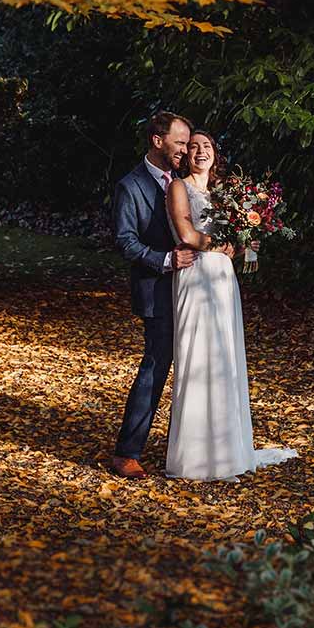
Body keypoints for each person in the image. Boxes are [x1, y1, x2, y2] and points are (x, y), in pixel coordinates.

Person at [163, 129, 297, 480]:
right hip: (195, 275)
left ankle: (225, 452)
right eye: (193, 147)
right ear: (186, 155)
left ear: (215, 154)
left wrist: (241, 244)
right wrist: (219, 243)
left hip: (222, 279)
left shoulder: (226, 194)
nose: (199, 151)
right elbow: (187, 234)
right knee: (197, 357)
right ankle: (194, 457)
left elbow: (238, 241)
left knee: (225, 357)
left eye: (206, 146)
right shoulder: (178, 187)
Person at [107, 111, 197, 480]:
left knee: (199, 365)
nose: (186, 149)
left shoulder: (189, 181)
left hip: (197, 290)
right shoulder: (130, 186)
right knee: (156, 366)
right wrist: (164, 259)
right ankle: (127, 451)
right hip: (158, 288)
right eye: (180, 142)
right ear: (157, 141)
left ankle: (194, 446)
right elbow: (125, 241)